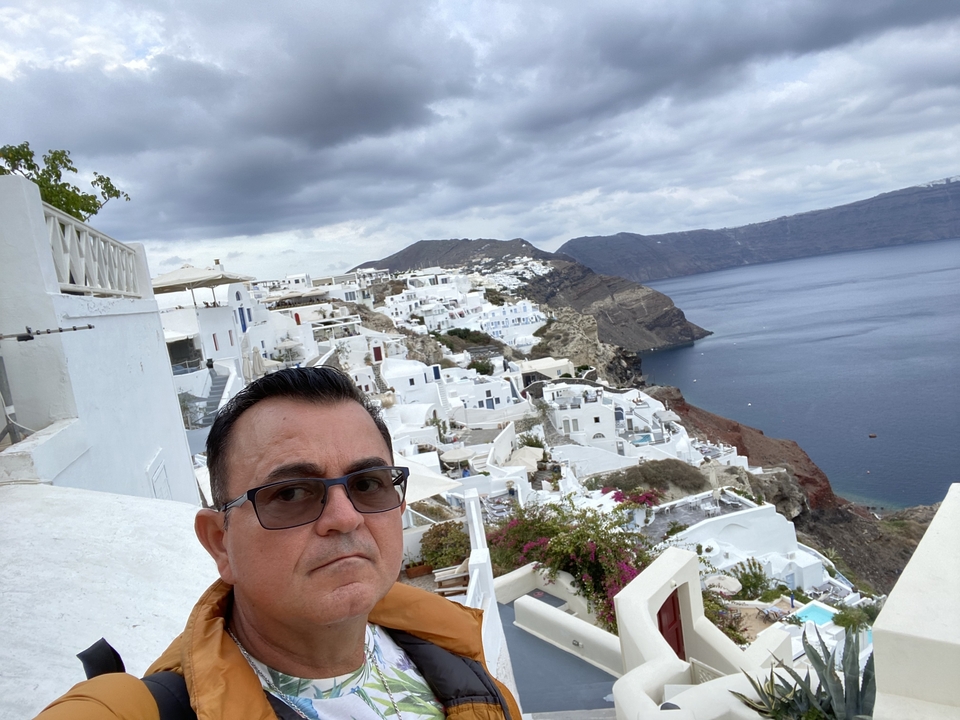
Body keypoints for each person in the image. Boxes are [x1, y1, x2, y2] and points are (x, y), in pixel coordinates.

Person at [37, 367, 521, 719]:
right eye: (290, 493)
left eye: (368, 484)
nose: (344, 517)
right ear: (220, 542)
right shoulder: (140, 710)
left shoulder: (462, 668)